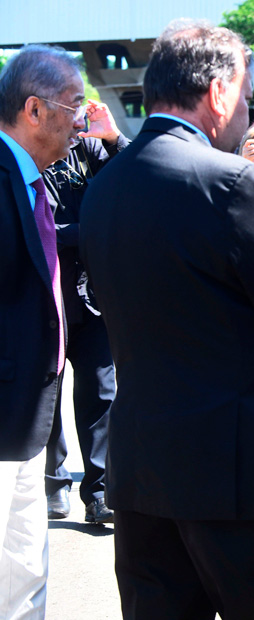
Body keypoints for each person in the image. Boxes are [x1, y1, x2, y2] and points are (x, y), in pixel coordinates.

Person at [78, 20, 254, 620]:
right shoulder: (234, 182)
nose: (247, 111)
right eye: (245, 96)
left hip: (143, 468)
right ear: (219, 93)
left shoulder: (107, 184)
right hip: (243, 478)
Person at [0, 44, 84, 620]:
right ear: (35, 110)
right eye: (74, 105)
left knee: (25, 567)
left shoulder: (37, 179)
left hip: (30, 415)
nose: (82, 119)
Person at [42, 99, 129, 525]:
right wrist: (92, 231)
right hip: (42, 302)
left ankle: (99, 492)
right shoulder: (22, 152)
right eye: (68, 102)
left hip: (91, 297)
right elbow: (36, 228)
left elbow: (140, 179)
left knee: (100, 391)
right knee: (47, 397)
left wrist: (112, 137)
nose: (75, 113)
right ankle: (52, 485)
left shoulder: (87, 147)